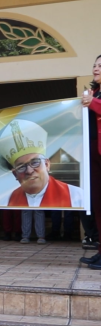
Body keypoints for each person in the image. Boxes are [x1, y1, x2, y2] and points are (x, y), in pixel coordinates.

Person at [0, 119, 82, 244]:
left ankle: (41, 236)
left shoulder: (74, 193)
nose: (29, 170)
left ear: (47, 164)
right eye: (21, 166)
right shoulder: (13, 196)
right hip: (23, 196)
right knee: (25, 211)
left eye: (35, 162)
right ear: (15, 173)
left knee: (40, 211)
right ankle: (24, 235)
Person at [79, 54, 101, 268]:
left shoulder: (93, 97)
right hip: (92, 152)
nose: (96, 68)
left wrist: (93, 103)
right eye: (95, 65)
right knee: (97, 204)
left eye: (100, 65)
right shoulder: (92, 92)